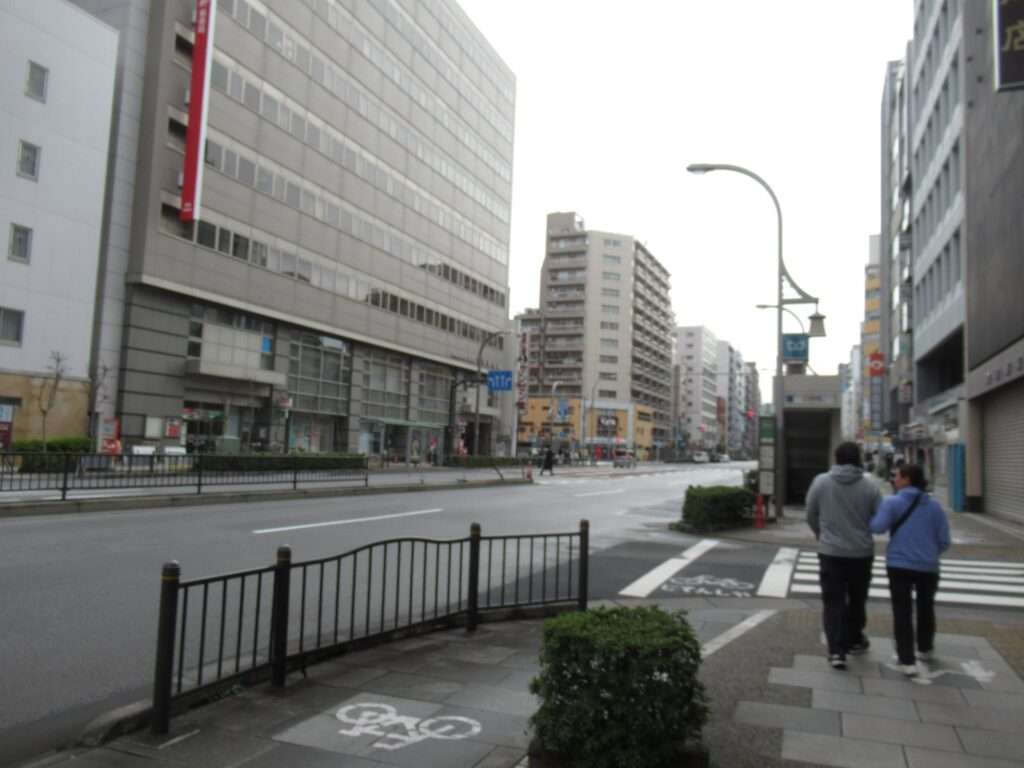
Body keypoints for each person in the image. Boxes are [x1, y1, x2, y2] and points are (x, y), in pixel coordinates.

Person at [806, 442, 883, 670]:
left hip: (831, 553)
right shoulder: (870, 486)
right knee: (857, 599)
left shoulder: (821, 482)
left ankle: (836, 652)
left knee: (833, 602)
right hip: (861, 553)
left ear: (836, 458)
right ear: (858, 458)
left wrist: (821, 534)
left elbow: (810, 513)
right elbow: (879, 519)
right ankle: (855, 639)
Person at [870, 464, 950, 677]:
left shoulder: (893, 503)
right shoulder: (935, 507)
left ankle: (907, 660)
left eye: (896, 476)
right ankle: (924, 649)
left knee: (902, 611)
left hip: (899, 565)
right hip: (928, 566)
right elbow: (944, 540)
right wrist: (929, 552)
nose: (893, 480)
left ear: (906, 479)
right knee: (926, 607)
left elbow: (878, 527)